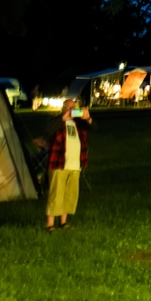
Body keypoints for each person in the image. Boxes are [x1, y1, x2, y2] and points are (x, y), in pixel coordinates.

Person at [44, 98, 91, 232]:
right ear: (63, 108)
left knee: (70, 195)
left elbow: (94, 128)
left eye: (74, 108)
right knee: (56, 194)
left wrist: (88, 118)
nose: (72, 110)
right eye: (69, 107)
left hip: (75, 165)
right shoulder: (57, 121)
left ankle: (63, 222)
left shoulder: (79, 123)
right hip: (59, 163)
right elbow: (48, 130)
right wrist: (63, 119)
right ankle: (50, 224)